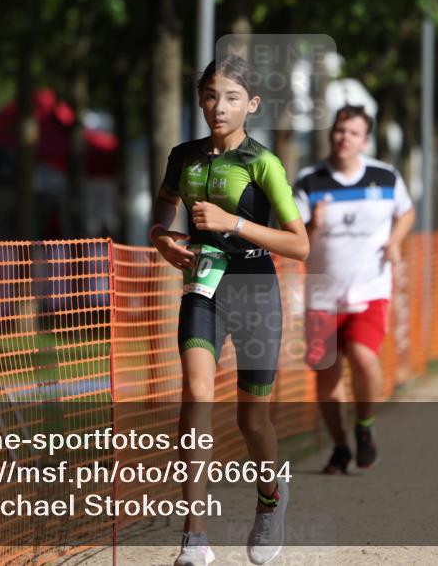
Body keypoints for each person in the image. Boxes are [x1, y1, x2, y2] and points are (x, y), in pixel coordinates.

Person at [150, 55, 309, 566]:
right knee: (195, 394)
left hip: (255, 288)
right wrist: (162, 240)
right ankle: (194, 536)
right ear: (200, 100)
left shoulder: (262, 162)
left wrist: (230, 222)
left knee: (251, 419)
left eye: (232, 97)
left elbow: (299, 245)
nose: (220, 107)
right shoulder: (184, 156)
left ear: (252, 104)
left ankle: (269, 500)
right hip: (203, 284)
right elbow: (163, 208)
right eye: (212, 96)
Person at [292, 105, 414, 475]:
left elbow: (406, 212)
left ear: (365, 140)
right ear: (332, 134)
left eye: (353, 133)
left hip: (369, 289)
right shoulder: (309, 181)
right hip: (322, 295)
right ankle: (340, 448)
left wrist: (395, 241)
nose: (344, 138)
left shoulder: (386, 176)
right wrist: (313, 224)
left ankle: (364, 425)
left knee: (363, 357)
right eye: (339, 131)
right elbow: (296, 241)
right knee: (325, 377)